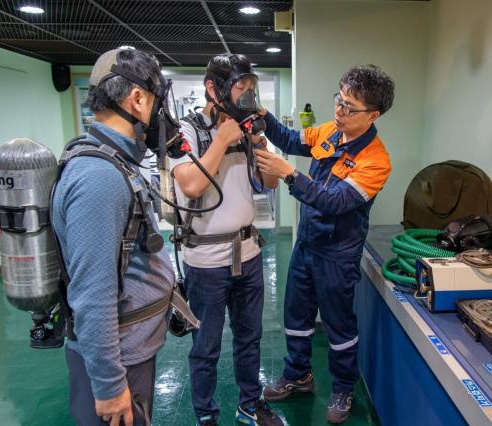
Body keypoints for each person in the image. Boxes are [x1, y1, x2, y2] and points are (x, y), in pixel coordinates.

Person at [256, 65, 395, 424]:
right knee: (296, 317)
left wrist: (289, 173)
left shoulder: (375, 161)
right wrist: (263, 117)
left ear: (373, 115)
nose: (339, 110)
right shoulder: (330, 131)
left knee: (339, 328)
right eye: (339, 99)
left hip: (337, 255)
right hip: (306, 245)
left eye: (349, 107)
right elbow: (290, 139)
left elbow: (334, 201)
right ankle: (298, 375)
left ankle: (343, 389)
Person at [52, 48, 177, 425]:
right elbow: (92, 294)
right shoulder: (100, 178)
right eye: (157, 103)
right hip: (119, 363)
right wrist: (108, 386)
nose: (161, 116)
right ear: (137, 99)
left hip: (131, 351)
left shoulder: (116, 162)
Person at [169, 53, 283, 426]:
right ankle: (205, 415)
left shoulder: (246, 131)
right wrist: (221, 140)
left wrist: (260, 144)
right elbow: (191, 184)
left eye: (252, 88)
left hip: (248, 253)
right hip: (206, 261)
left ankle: (250, 404)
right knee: (206, 347)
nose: (247, 95)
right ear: (213, 89)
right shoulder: (186, 131)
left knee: (250, 339)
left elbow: (268, 184)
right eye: (240, 88)